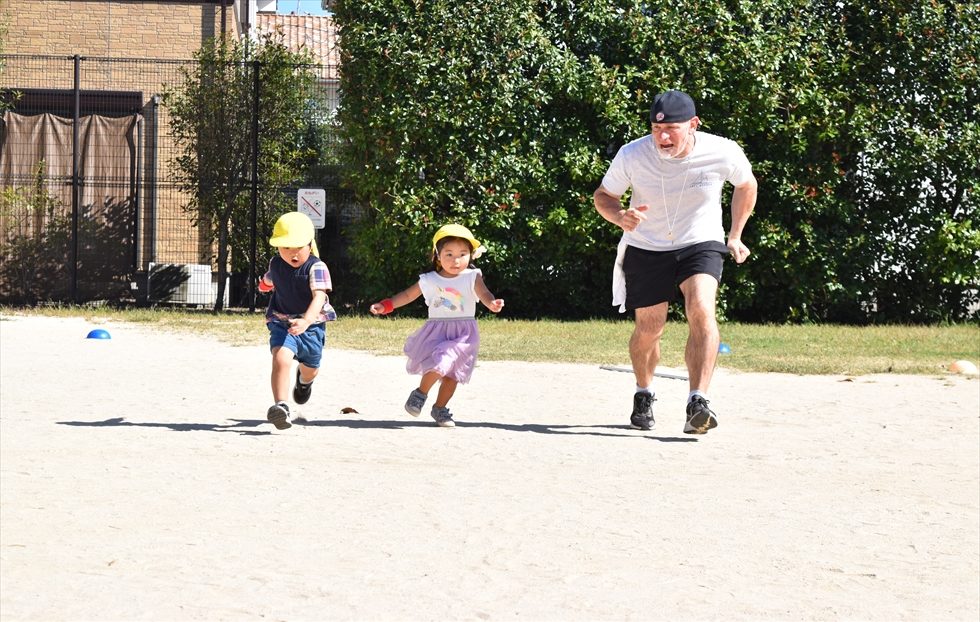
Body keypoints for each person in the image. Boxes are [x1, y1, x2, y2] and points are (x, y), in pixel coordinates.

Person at [593, 89, 757, 434]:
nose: (663, 137)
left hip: (700, 241)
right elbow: (604, 196)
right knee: (650, 328)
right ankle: (644, 391)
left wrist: (735, 235)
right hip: (647, 245)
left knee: (701, 309)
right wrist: (620, 215)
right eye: (656, 129)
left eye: (672, 129)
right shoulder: (633, 154)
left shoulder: (722, 150)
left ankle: (698, 400)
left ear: (694, 125)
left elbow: (746, 185)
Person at [369, 224, 505, 428]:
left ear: (470, 256)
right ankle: (420, 393)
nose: (456, 260)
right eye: (449, 254)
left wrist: (491, 303)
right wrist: (387, 305)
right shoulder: (430, 280)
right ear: (437, 255)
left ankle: (440, 409)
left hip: (464, 334)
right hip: (438, 331)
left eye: (462, 254)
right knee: (442, 362)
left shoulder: (472, 276)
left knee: (453, 377)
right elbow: (407, 295)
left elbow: (484, 293)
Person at [258, 212, 337, 430]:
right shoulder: (276, 264)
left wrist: (306, 320)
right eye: (286, 248)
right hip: (282, 321)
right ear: (277, 248)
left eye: (298, 248)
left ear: (309, 245)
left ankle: (304, 383)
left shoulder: (316, 267)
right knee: (280, 357)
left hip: (310, 327)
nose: (292, 253)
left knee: (310, 367)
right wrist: (263, 285)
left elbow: (319, 296)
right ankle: (281, 406)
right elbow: (268, 279)